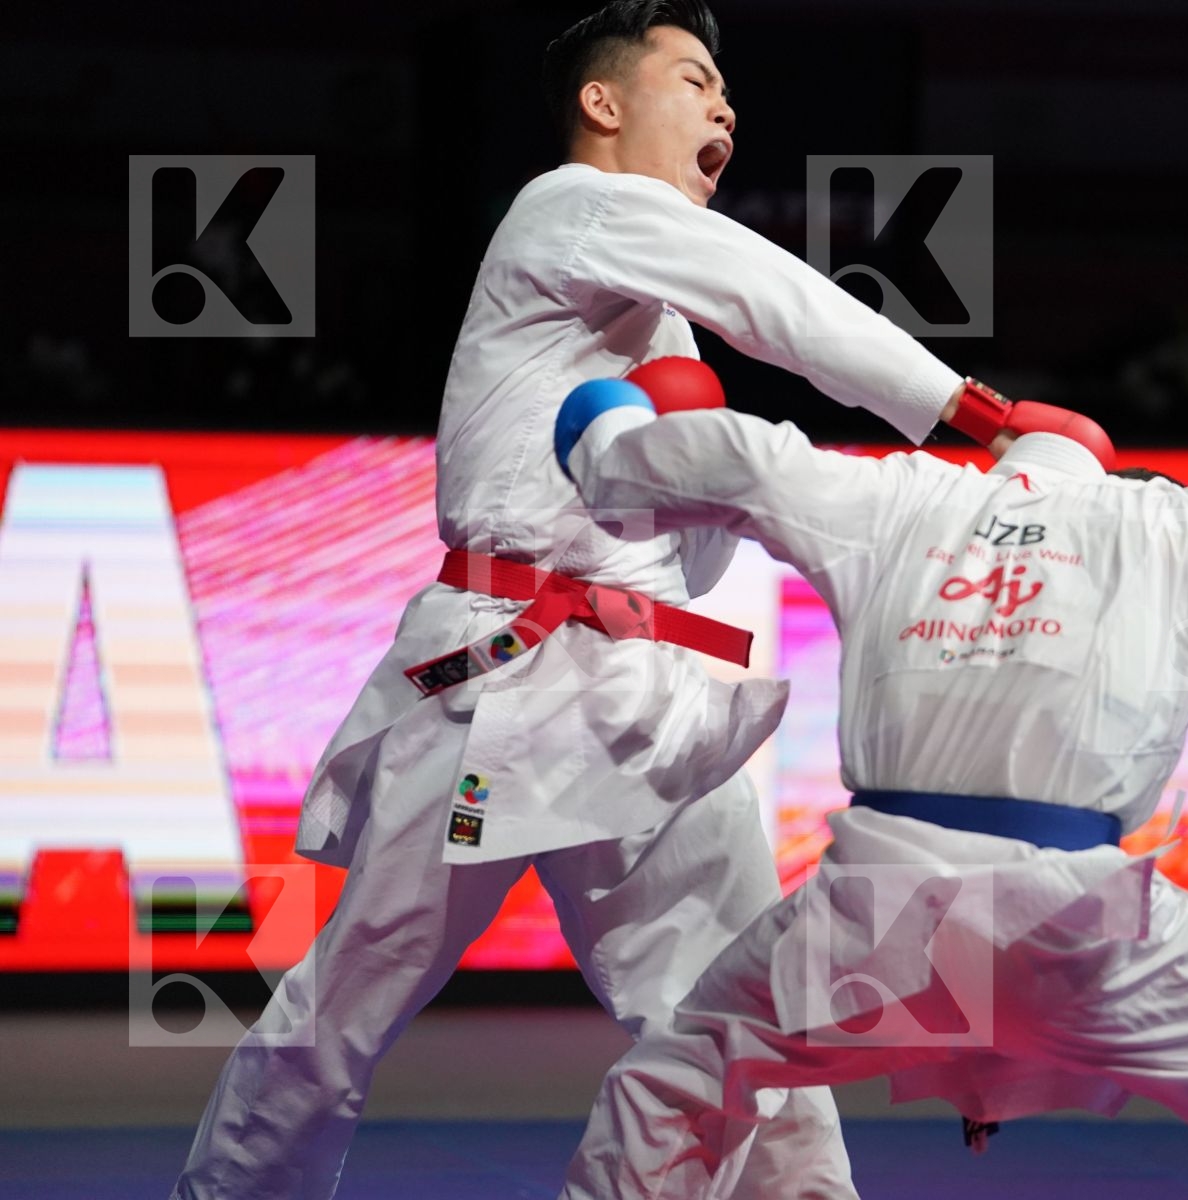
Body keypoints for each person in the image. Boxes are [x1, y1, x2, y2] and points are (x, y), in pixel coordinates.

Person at [171, 4, 1087, 1197]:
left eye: (728, 92)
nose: (728, 109)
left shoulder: (643, 307)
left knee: (741, 1013)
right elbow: (780, 300)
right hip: (497, 681)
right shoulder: (573, 207)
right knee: (348, 1001)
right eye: (696, 80)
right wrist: (975, 413)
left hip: (642, 692)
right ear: (604, 104)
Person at [547, 371, 1188, 1200]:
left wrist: (605, 431)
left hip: (874, 908)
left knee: (678, 1080)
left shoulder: (897, 496)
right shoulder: (1180, 526)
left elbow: (741, 458)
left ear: (1003, 457)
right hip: (1073, 918)